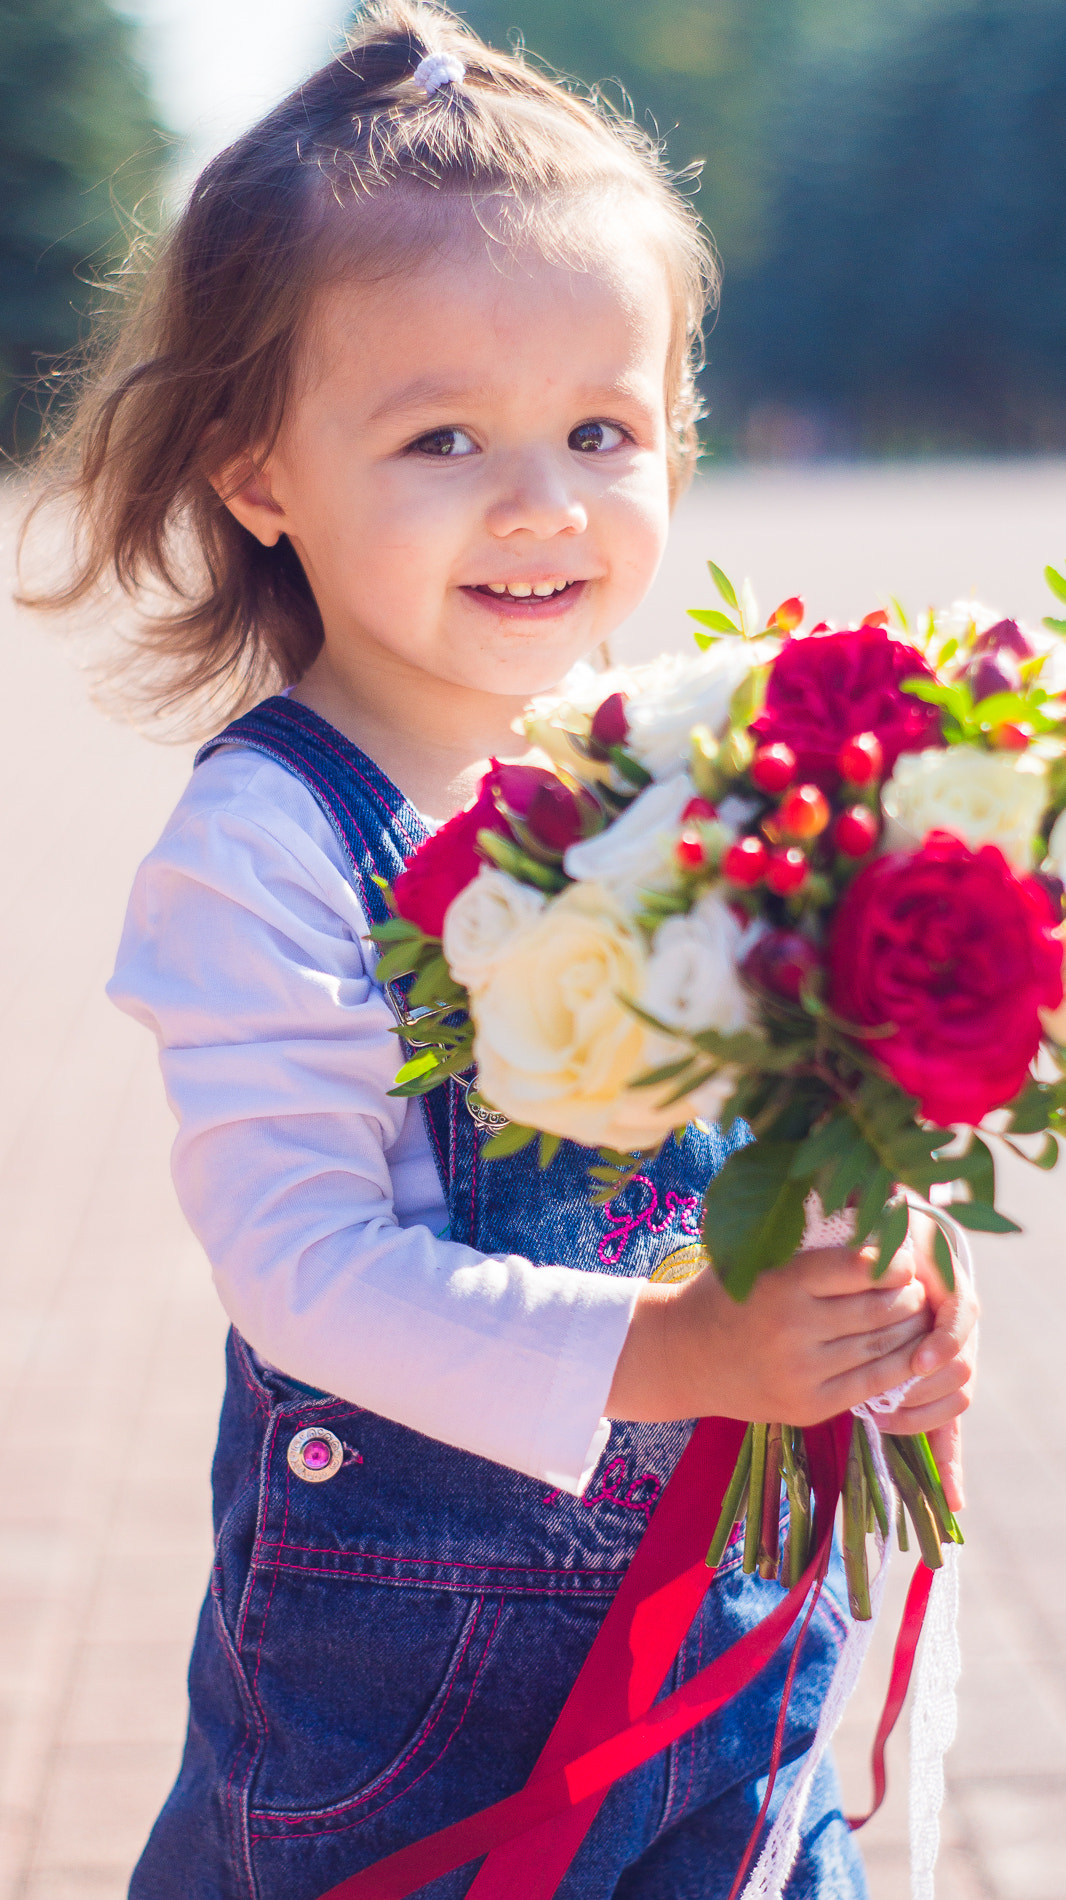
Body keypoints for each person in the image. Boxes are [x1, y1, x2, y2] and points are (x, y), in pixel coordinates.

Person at [24, 5, 976, 1896]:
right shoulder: (267, 844)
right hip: (415, 1720)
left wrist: (866, 1303)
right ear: (259, 470)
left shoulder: (691, 768)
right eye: (443, 434)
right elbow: (306, 1268)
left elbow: (784, 1126)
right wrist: (683, 1344)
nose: (543, 501)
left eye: (600, 430)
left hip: (721, 1651)